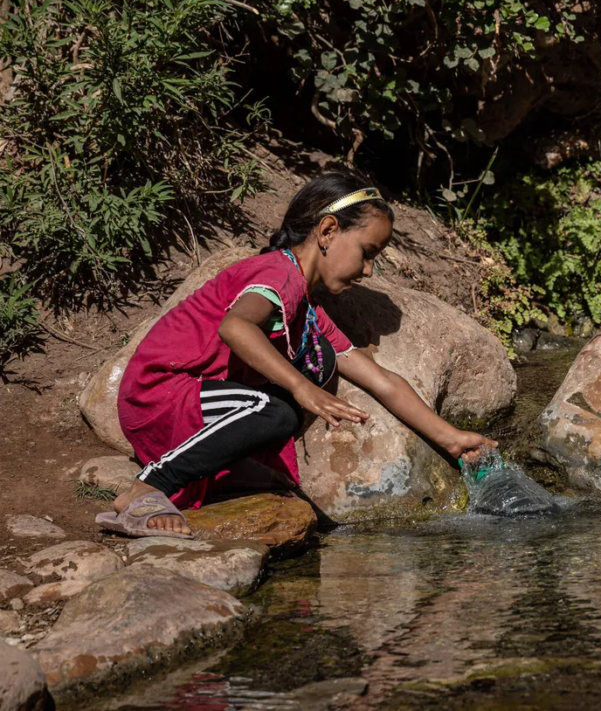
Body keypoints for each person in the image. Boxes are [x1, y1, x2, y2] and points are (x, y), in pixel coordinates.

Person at [97, 173, 496, 538]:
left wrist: (452, 438)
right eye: (367, 252)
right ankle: (148, 487)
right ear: (327, 231)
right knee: (276, 411)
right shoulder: (277, 273)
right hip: (160, 391)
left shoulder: (308, 312)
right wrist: (302, 387)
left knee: (278, 452)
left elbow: (381, 380)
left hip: (194, 402)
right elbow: (236, 327)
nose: (370, 271)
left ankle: (212, 476)